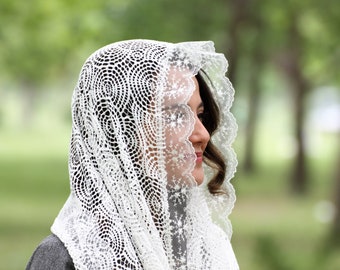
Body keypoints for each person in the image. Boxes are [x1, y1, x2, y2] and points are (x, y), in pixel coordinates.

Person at [26, 39, 239, 270]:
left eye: (199, 114)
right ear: (121, 130)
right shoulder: (70, 258)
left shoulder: (208, 246)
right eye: (177, 115)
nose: (202, 135)